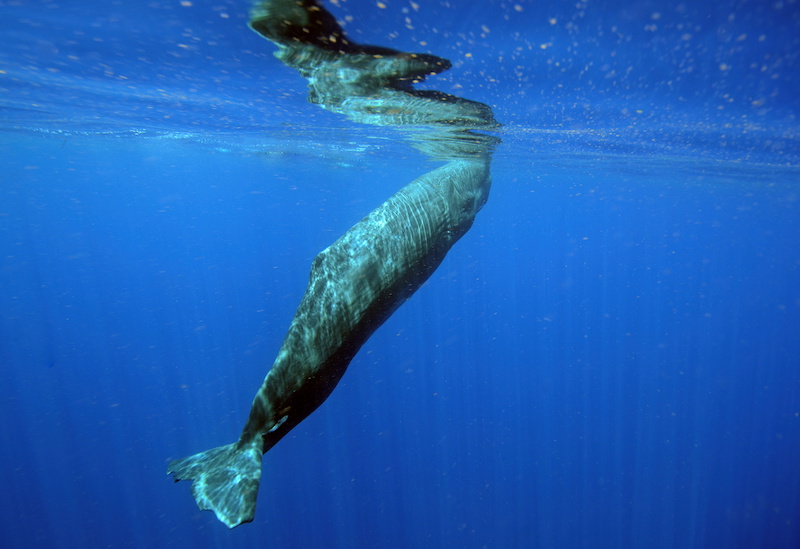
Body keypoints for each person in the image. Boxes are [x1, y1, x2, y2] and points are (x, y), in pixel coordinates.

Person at [168, 0, 499, 528]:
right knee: (333, 334)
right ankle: (245, 449)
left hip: (372, 262)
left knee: (331, 328)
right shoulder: (469, 180)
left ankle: (245, 450)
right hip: (377, 261)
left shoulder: (464, 185)